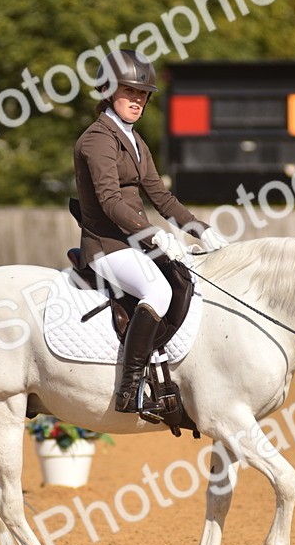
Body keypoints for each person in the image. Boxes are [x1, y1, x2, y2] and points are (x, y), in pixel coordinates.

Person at [72, 49, 230, 414]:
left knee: (186, 280)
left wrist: (200, 230)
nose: (138, 100)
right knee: (157, 289)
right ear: (109, 92)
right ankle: (130, 389)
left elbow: (160, 195)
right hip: (106, 245)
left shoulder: (135, 140)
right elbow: (110, 200)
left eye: (143, 94)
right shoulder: (98, 139)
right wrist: (152, 235)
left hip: (134, 242)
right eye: (130, 92)